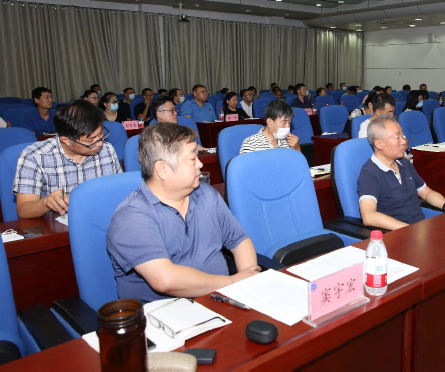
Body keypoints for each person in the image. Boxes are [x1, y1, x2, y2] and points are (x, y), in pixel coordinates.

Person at [106, 123, 260, 304]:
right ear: (162, 169)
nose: (200, 164)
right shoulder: (131, 217)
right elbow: (165, 280)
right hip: (166, 314)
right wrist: (233, 283)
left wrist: (248, 285)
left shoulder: (206, 195)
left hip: (222, 301)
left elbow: (239, 241)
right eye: (193, 159)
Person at [13, 99, 121, 219]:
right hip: (58, 224)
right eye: (91, 140)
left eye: (101, 134)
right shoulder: (35, 156)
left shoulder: (107, 149)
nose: (100, 143)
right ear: (66, 140)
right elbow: (23, 210)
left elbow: (119, 190)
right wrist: (46, 202)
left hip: (101, 218)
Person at [357, 116, 445, 230]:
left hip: (420, 230)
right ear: (379, 144)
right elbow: (368, 216)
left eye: (402, 135)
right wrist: (409, 230)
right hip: (397, 234)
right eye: (397, 137)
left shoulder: (404, 163)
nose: (404, 141)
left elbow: (427, 193)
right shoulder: (369, 173)